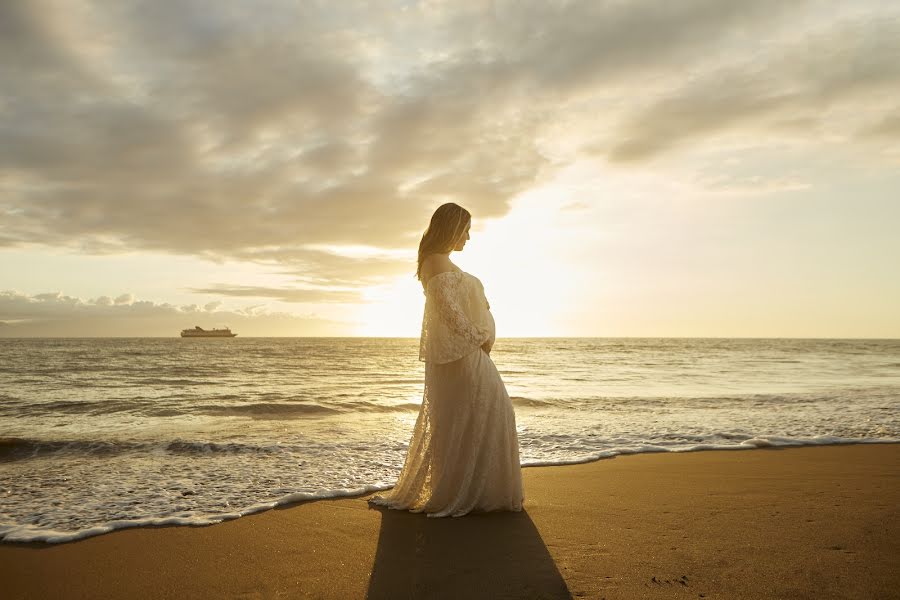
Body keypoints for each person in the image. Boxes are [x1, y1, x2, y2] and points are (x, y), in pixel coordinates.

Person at [368, 202, 524, 517]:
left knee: (480, 417)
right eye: (465, 230)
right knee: (476, 417)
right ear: (452, 228)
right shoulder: (435, 261)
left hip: (468, 353)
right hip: (462, 355)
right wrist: (479, 334)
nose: (468, 237)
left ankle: (480, 491)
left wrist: (479, 304)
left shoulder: (443, 261)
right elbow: (449, 313)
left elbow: (457, 305)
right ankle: (465, 491)